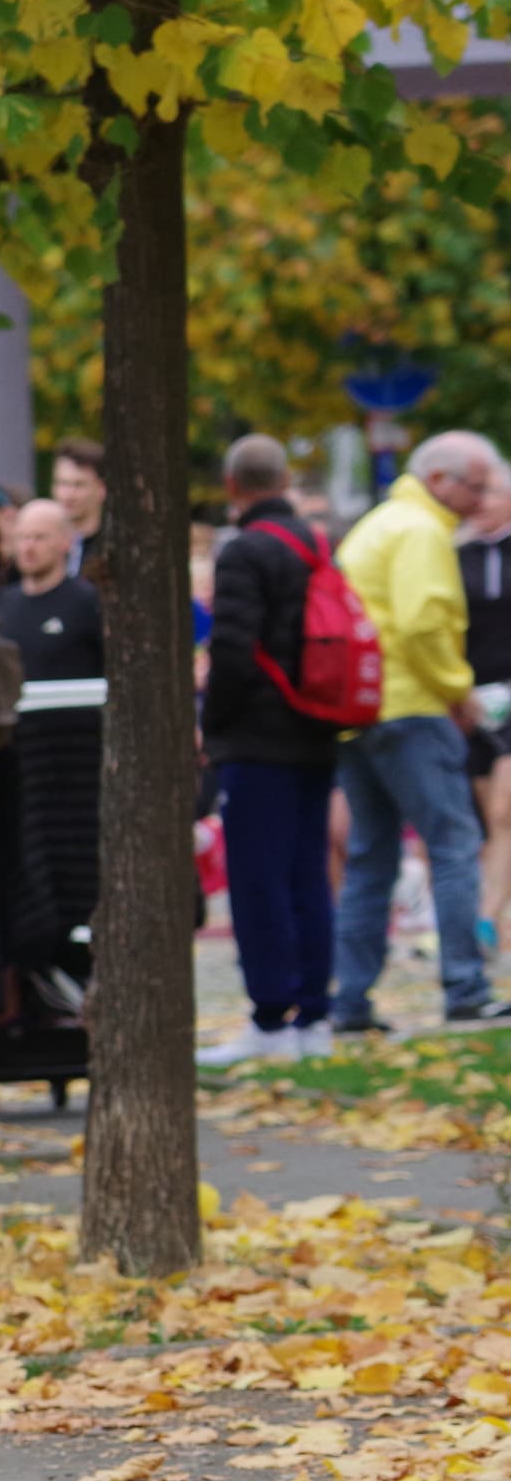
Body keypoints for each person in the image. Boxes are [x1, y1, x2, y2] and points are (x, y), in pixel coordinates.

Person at [331, 431, 507, 1031]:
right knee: (454, 846)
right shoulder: (422, 531)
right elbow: (422, 623)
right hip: (411, 708)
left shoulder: (378, 524)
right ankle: (466, 987)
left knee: (370, 858)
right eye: (475, 486)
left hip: (361, 712)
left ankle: (350, 1001)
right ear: (439, 480)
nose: (480, 500)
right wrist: (458, 692)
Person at [200, 435, 343, 1066]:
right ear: (283, 481)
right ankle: (313, 1014)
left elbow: (232, 649)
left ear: (234, 487)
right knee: (307, 874)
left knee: (257, 879)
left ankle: (268, 1018)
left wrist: (214, 721)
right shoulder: (316, 544)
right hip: (317, 726)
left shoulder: (243, 553)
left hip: (258, 738)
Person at [457, 479, 511, 947]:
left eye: (493, 493)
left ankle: (487, 917)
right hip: (473, 698)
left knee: (504, 808)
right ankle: (498, 919)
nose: (482, 503)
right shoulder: (458, 557)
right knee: (485, 818)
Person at [0, 500, 105, 682]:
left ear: (66, 541)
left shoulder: (87, 601)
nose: (28, 547)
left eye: (40, 537)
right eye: (22, 537)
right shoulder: (1, 602)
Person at [51, 438, 106, 580]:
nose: (68, 495)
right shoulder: (43, 548)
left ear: (101, 488)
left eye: (79, 485)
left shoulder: (111, 550)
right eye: (62, 483)